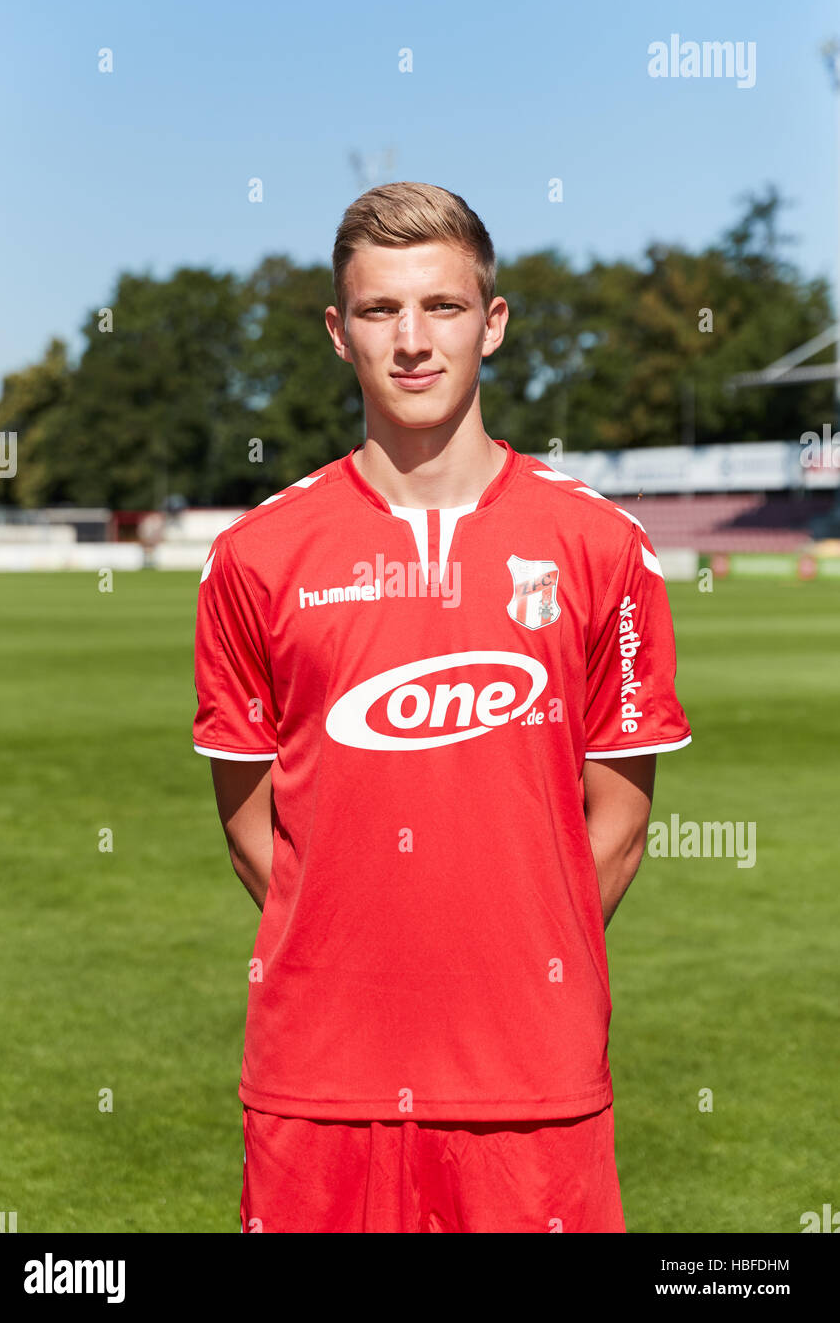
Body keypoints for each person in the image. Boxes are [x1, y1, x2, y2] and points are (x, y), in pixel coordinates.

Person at [192, 181, 691, 1233]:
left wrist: (502, 965)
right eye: (380, 310)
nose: (412, 340)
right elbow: (248, 824)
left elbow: (618, 824)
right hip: (319, 1081)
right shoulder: (254, 556)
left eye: (443, 306)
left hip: (533, 1080)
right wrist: (364, 960)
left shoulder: (601, 546)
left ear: (492, 323)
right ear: (340, 333)